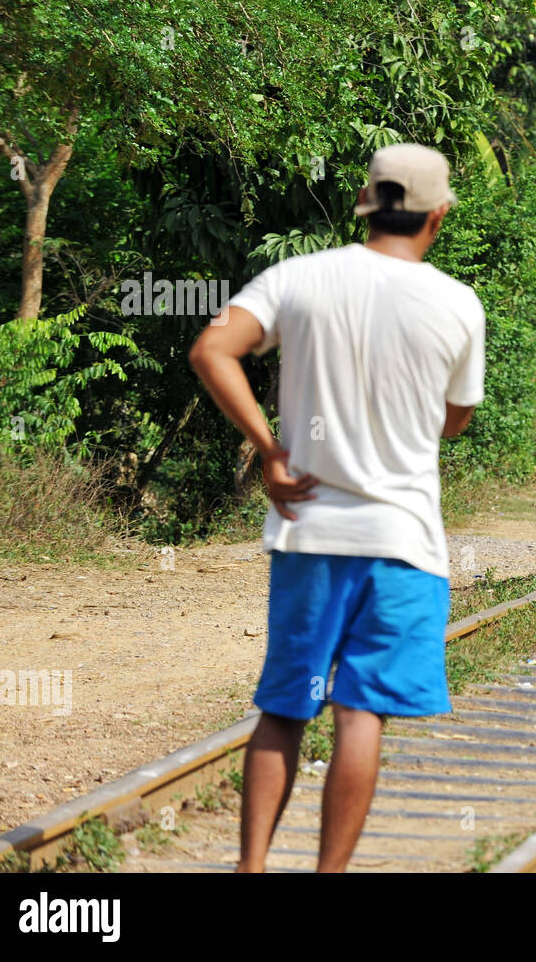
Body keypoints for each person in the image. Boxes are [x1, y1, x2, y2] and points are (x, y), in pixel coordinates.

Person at [188, 144, 484, 873]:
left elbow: (212, 349)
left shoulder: (302, 276)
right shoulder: (456, 303)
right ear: (437, 214)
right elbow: (455, 421)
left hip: (309, 531)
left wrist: (268, 445)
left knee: (285, 709)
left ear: (367, 203)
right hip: (403, 541)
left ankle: (250, 868)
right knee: (361, 715)